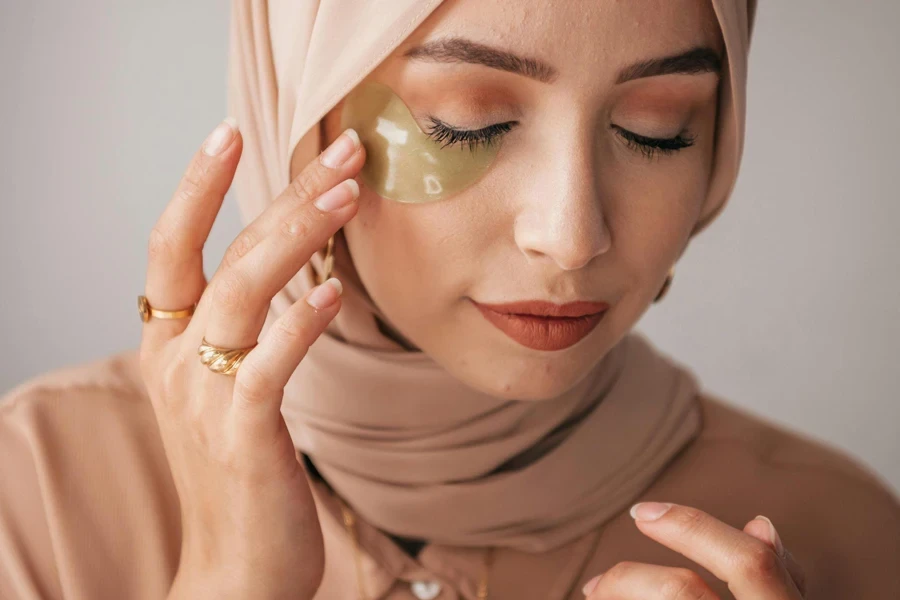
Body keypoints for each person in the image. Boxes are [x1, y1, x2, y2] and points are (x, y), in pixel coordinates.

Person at [1, 0, 898, 598]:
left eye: (655, 129)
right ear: (297, 113)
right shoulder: (38, 491)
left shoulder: (840, 538)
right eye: (466, 120)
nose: (571, 233)